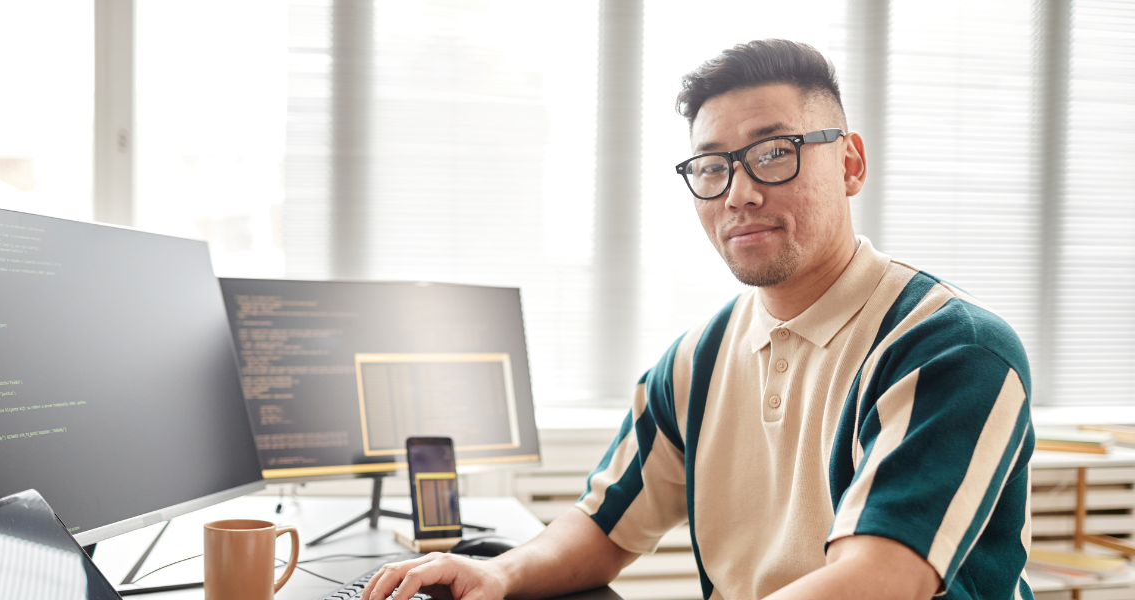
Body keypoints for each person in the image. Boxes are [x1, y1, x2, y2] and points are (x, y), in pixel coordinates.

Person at [362, 39, 1034, 600]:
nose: (739, 193)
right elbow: (606, 525)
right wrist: (495, 573)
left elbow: (881, 578)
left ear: (850, 162)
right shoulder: (697, 359)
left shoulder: (953, 349)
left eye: (774, 152)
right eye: (712, 166)